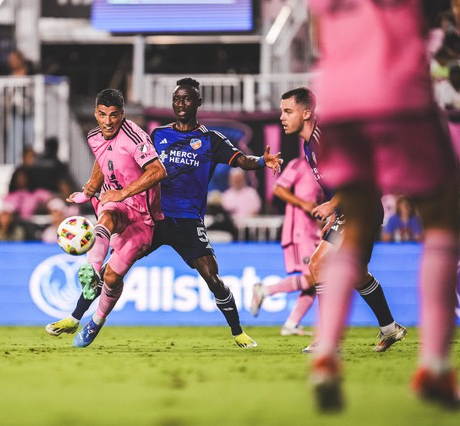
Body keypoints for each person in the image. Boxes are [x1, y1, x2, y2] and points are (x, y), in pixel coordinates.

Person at [46, 78, 283, 348]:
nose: (181, 103)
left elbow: (241, 160)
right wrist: (92, 188)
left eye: (187, 99)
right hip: (153, 215)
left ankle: (238, 331)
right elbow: (110, 157)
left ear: (198, 102)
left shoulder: (210, 139)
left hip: (187, 219)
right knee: (109, 274)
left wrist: (263, 161)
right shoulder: (157, 135)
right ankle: (78, 317)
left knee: (212, 276)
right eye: (177, 99)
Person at [307, 0, 459, 410]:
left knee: (352, 228)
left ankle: (325, 360)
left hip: (338, 99)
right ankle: (435, 367)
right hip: (399, 93)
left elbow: (318, 31)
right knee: (444, 219)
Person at [274, 87, 406, 355]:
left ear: (307, 112)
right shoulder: (309, 144)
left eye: (288, 111)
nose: (282, 117)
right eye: (281, 112)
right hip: (353, 209)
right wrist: (336, 210)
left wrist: (332, 205)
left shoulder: (325, 140)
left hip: (363, 207)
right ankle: (390, 327)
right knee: (357, 274)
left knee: (318, 262)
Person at [57, 88, 166, 348]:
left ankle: (96, 321)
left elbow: (158, 171)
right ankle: (92, 271)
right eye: (103, 115)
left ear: (122, 115)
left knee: (113, 278)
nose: (108, 121)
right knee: (106, 216)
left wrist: (123, 192)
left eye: (114, 115)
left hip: (142, 218)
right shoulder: (95, 136)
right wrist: (89, 192)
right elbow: (102, 161)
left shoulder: (135, 137)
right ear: (96, 114)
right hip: (115, 204)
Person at [251, 157, 323, 337]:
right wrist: (303, 203)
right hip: (299, 229)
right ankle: (265, 290)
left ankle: (291, 324)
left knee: (316, 280)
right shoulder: (300, 164)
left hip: (315, 231)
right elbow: (278, 189)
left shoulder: (326, 170)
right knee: (313, 277)